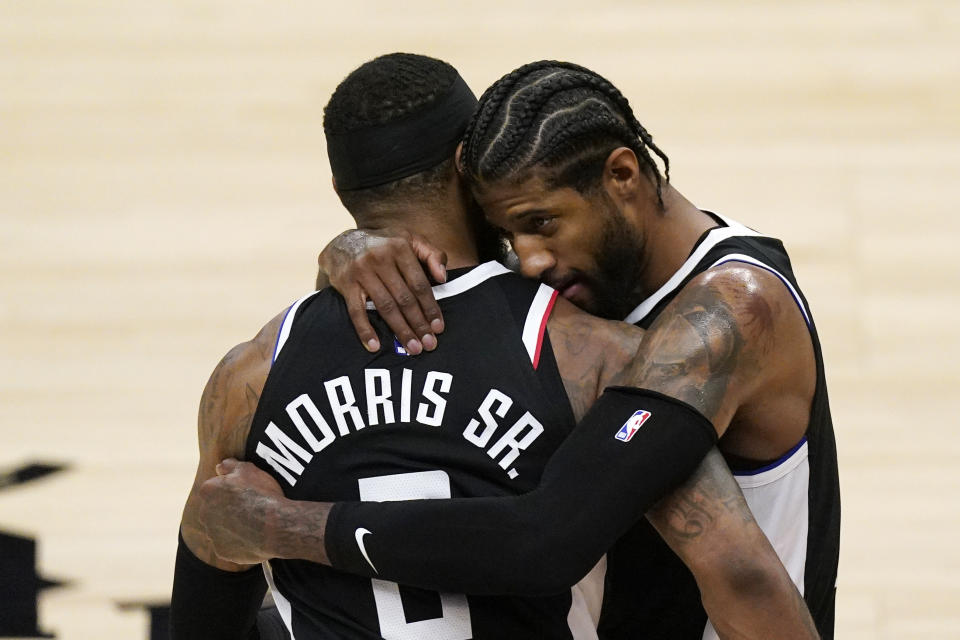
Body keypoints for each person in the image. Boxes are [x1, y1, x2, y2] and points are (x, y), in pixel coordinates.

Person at [173, 54, 818, 639]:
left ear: (621, 173)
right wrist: (349, 252)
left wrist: (280, 526)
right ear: (467, 172)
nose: (531, 260)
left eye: (540, 223)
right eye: (512, 228)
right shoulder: (588, 343)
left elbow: (548, 537)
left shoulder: (728, 312)